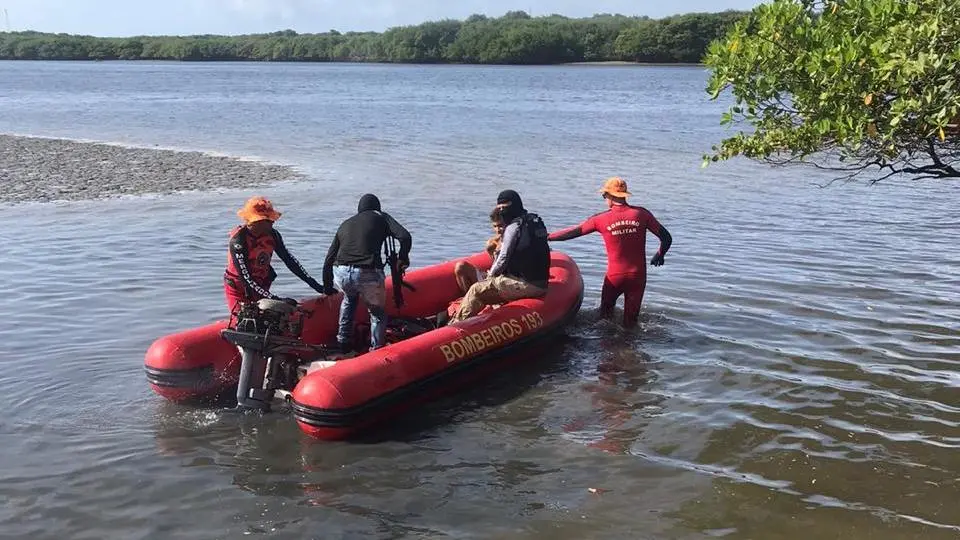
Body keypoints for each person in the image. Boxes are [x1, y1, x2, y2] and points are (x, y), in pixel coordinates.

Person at [547, 176, 672, 327]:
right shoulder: (642, 214)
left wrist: (548, 237)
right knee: (631, 323)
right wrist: (660, 254)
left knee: (605, 318)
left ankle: (607, 347)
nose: (604, 198)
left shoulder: (601, 219)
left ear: (611, 196)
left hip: (615, 277)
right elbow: (666, 238)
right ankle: (629, 349)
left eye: (604, 195)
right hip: (637, 277)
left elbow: (574, 232)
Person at [322, 194, 412, 353]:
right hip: (367, 272)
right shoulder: (381, 217)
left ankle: (343, 342)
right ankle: (376, 350)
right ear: (377, 208)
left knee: (349, 299)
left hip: (341, 272)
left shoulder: (346, 223)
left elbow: (329, 258)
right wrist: (402, 258)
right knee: (377, 314)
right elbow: (405, 237)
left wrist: (328, 287)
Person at [449, 190, 551, 324]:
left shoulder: (514, 227)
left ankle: (456, 326)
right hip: (540, 283)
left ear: (514, 205)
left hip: (526, 284)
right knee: (487, 285)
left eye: (505, 207)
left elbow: (503, 258)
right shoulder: (533, 221)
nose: (503, 211)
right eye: (500, 208)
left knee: (476, 290)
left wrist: (490, 277)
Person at [223, 196, 326, 313]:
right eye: (268, 220)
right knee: (243, 320)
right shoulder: (239, 240)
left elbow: (290, 261)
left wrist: (316, 286)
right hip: (239, 287)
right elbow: (246, 277)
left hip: (262, 282)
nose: (273, 222)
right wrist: (275, 299)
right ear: (257, 221)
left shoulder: (273, 235)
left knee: (267, 320)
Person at [454, 206, 507, 294]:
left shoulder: (515, 241)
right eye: (495, 226)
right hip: (492, 277)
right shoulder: (492, 243)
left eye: (501, 226)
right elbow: (495, 264)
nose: (498, 230)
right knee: (460, 267)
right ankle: (468, 298)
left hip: (505, 281)